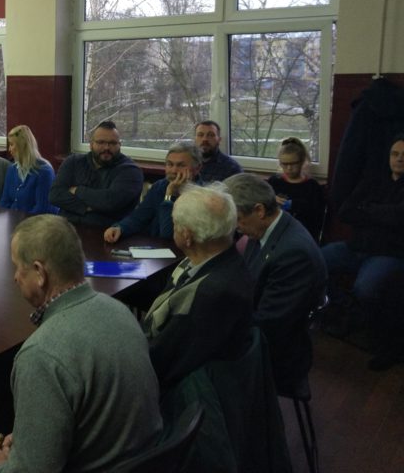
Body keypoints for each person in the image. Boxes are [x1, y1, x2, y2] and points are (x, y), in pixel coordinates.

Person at [0, 215, 163, 473]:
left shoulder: (41, 354)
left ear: (40, 273)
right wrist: (31, 438)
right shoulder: (120, 312)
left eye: (18, 267)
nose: (15, 278)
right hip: (140, 461)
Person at [224, 173, 326, 392]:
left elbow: (270, 325)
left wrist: (221, 327)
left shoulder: (294, 254)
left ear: (259, 210)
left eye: (237, 219)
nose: (235, 227)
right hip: (263, 328)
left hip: (279, 355)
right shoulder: (266, 229)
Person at [142, 184, 253, 386]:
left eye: (174, 223)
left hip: (174, 389)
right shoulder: (220, 261)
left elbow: (159, 363)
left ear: (187, 236)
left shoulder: (209, 294)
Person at [321, 135, 404, 371]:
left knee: (365, 288)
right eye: (395, 154)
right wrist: (384, 214)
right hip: (355, 247)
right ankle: (348, 308)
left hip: (388, 253)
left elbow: (400, 218)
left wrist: (368, 210)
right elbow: (346, 210)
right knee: (314, 262)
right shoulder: (374, 180)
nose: (399, 159)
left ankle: (361, 318)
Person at [49, 121, 143, 227]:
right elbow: (55, 195)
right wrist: (87, 207)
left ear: (119, 145)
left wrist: (77, 190)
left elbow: (110, 202)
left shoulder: (130, 171)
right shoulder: (73, 162)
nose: (106, 147)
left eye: (112, 143)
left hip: (106, 232)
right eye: (101, 142)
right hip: (66, 228)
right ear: (91, 144)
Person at [104, 142, 202, 243]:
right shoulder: (160, 186)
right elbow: (139, 217)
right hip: (155, 246)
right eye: (170, 164)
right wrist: (120, 228)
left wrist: (169, 195)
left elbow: (167, 234)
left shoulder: (203, 197)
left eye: (181, 165)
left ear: (197, 168)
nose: (173, 170)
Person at [267, 137, 326, 240]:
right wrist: (271, 200)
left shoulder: (312, 186)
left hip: (302, 235)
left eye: (293, 163)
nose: (289, 168)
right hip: (275, 234)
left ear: (302, 161)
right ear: (280, 163)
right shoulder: (274, 182)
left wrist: (294, 205)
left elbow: (317, 217)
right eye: (285, 164)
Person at [0, 125, 58, 215]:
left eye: (11, 144)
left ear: (22, 146)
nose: (9, 149)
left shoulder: (44, 171)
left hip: (35, 222)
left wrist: (19, 221)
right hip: (12, 219)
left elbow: (42, 209)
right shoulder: (12, 169)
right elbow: (4, 202)